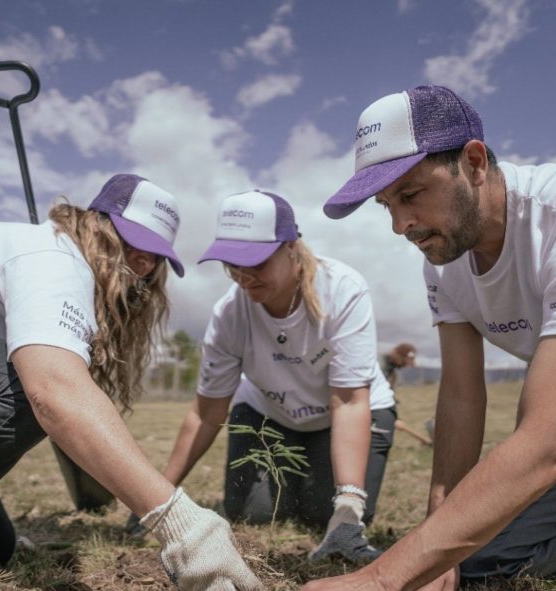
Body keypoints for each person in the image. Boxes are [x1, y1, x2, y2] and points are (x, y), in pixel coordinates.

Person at [299, 85, 556, 591]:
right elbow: (462, 397)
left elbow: (548, 444)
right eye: (386, 205)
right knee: (475, 552)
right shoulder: (443, 265)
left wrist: (382, 579)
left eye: (411, 194)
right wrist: (434, 546)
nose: (402, 225)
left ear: (472, 161)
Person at [0, 174, 265, 591]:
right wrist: (183, 527)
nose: (142, 263)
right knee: (27, 382)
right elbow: (52, 390)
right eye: (130, 242)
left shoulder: (56, 264)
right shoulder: (52, 258)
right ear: (95, 224)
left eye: (155, 255)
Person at [131, 189, 397, 562]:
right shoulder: (229, 315)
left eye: (255, 262)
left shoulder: (343, 290)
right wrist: (157, 494)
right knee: (252, 515)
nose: (243, 276)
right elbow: (205, 414)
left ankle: (322, 484)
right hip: (269, 415)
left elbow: (350, 401)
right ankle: (297, 477)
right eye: (231, 264)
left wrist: (349, 503)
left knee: (328, 514)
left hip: (344, 415)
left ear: (291, 247)